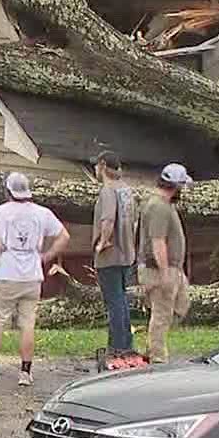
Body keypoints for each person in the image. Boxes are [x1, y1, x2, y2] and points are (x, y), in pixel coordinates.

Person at [0, 172, 68, 388]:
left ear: (8, 191)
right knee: (27, 324)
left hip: (7, 272)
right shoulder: (42, 213)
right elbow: (64, 236)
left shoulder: (0, 212)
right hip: (32, 275)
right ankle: (25, 373)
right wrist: (47, 256)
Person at [139, 163, 193, 364]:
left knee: (181, 305)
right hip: (160, 268)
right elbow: (158, 241)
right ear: (175, 185)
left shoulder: (166, 205)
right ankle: (157, 358)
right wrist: (164, 273)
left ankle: (152, 346)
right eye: (181, 186)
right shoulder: (158, 207)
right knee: (162, 314)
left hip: (173, 267)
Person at [90, 152, 137, 358]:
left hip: (110, 256)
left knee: (114, 302)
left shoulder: (108, 191)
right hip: (127, 254)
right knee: (122, 300)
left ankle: (119, 347)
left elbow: (107, 220)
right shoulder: (127, 190)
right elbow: (134, 221)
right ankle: (124, 342)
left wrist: (102, 243)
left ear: (102, 166)